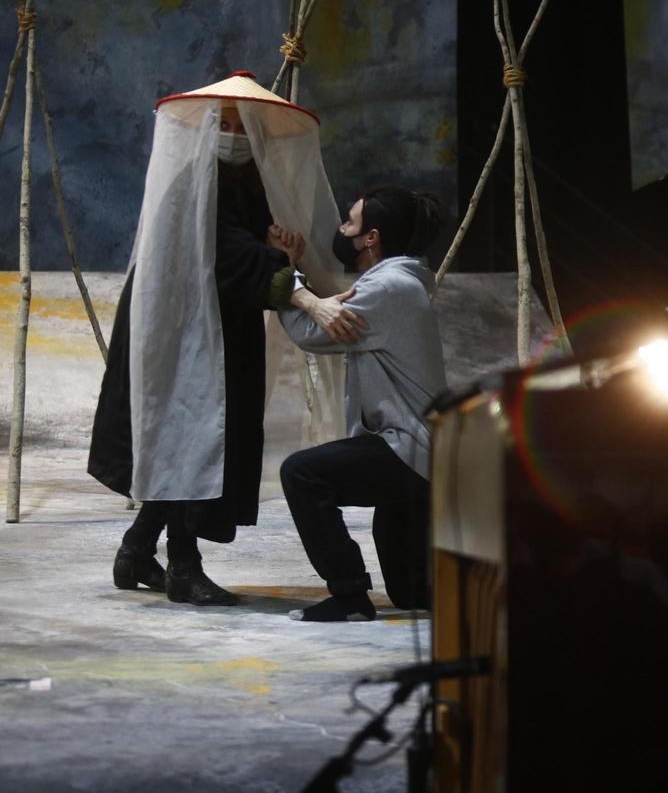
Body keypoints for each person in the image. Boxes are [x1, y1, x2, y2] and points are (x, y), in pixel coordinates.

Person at [90, 72, 349, 606]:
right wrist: (279, 261)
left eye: (241, 126)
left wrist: (280, 250)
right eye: (224, 124)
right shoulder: (195, 180)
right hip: (179, 328)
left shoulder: (247, 181)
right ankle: (182, 567)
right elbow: (225, 252)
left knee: (197, 440)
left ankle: (137, 550)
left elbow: (246, 251)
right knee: (190, 436)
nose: (233, 135)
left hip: (221, 327)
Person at [274, 185, 448, 622]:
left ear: (371, 237)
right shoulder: (399, 283)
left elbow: (311, 331)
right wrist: (302, 279)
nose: (342, 230)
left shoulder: (387, 288)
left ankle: (349, 595)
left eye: (349, 223)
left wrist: (283, 275)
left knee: (302, 473)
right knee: (411, 594)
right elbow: (327, 311)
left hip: (408, 448)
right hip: (424, 452)